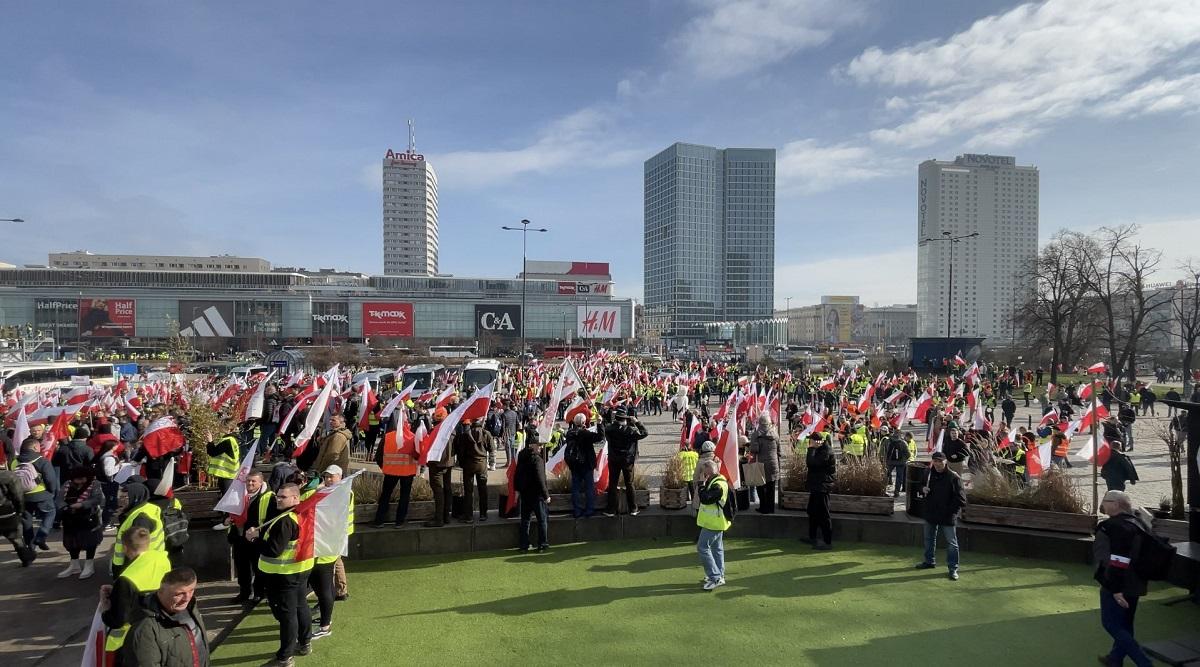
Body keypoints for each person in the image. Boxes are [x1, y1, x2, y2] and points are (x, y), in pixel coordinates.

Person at [246, 483, 312, 667]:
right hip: (300, 570)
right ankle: (305, 642)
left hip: (283, 575)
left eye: (283, 497)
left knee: (286, 616)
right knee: (300, 607)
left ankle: (285, 657)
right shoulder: (302, 514)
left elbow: (273, 550)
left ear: (296, 498)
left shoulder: (285, 520)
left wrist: (254, 539)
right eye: (278, 496)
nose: (278, 499)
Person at [1093, 490, 1154, 667]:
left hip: (1117, 582)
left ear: (1116, 505)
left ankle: (1145, 663)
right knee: (1126, 623)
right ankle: (1115, 658)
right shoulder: (1140, 523)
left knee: (1111, 623)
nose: (1103, 504)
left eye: (1106, 500)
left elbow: (1115, 560)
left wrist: (1115, 588)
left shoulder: (1110, 527)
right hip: (1137, 581)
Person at [101, 527, 172, 662]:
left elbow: (118, 620)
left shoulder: (126, 578)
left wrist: (105, 608)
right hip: (160, 629)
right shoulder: (162, 559)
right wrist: (117, 592)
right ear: (148, 543)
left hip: (129, 641)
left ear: (125, 548)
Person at [122, 566, 209, 667]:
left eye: (191, 590)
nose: (187, 598)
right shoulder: (145, 629)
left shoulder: (189, 607)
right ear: (161, 591)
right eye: (179, 594)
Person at [310, 466, 353, 639]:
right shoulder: (336, 490)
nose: (328, 480)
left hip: (335, 537)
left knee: (333, 569)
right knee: (335, 566)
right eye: (326, 477)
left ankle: (339, 593)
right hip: (331, 537)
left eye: (331, 477)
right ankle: (334, 596)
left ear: (340, 477)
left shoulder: (342, 493)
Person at [915, 451, 967, 580]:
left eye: (940, 461)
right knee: (929, 538)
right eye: (935, 461)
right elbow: (920, 485)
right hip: (930, 512)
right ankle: (929, 561)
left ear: (945, 462)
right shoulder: (927, 473)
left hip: (947, 516)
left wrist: (950, 511)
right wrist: (923, 489)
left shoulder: (953, 477)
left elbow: (961, 499)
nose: (938, 464)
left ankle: (953, 569)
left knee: (952, 543)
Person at [229, 470, 272, 603]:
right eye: (248, 481)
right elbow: (228, 510)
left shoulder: (269, 497)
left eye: (254, 481)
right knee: (242, 568)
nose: (250, 483)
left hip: (256, 539)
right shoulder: (237, 494)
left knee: (257, 567)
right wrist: (226, 520)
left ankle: (259, 593)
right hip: (239, 537)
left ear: (261, 482)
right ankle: (244, 592)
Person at [57, 466, 105, 579]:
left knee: (90, 541)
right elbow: (59, 499)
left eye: (82, 479)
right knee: (71, 542)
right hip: (70, 517)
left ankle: (89, 565)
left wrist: (82, 504)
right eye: (77, 479)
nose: (80, 482)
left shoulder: (95, 484)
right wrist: (65, 507)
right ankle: (74, 565)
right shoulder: (67, 484)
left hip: (89, 517)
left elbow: (97, 499)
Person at [110, 479, 160, 578]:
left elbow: (135, 547)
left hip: (137, 566)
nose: (121, 500)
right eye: (120, 496)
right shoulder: (147, 507)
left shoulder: (141, 519)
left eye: (125, 497)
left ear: (135, 498)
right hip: (149, 562)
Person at [603, 408, 648, 516]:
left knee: (613, 483)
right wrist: (636, 422)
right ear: (625, 419)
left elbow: (607, 428)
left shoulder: (609, 429)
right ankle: (633, 508)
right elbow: (644, 433)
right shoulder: (630, 430)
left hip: (614, 459)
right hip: (627, 460)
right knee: (629, 483)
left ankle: (611, 510)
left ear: (616, 418)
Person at [17, 436, 59, 552]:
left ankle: (30, 547)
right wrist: (51, 491)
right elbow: (50, 479)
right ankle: (41, 537)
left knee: (27, 522)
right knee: (50, 514)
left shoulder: (15, 461)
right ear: (35, 447)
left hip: (22, 496)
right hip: (41, 494)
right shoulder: (41, 460)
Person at [695, 459, 730, 591]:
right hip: (715, 522)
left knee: (702, 547)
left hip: (713, 523)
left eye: (704, 473)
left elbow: (705, 499)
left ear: (708, 473)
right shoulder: (717, 482)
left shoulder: (718, 485)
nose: (703, 475)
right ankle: (719, 574)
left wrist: (701, 485)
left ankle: (715, 577)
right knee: (717, 549)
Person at [373, 426, 418, 528]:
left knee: (385, 495)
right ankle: (400, 522)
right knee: (404, 496)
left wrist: (385, 468)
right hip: (408, 472)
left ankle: (379, 521)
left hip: (391, 472)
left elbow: (378, 456)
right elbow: (418, 455)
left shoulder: (388, 436)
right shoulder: (413, 437)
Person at [513, 435, 550, 552]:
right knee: (542, 520)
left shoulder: (521, 456)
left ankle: (524, 545)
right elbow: (540, 478)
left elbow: (517, 474)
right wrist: (546, 495)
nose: (540, 448)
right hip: (537, 494)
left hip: (525, 493)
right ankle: (542, 544)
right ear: (533, 445)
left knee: (525, 520)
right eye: (538, 445)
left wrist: (517, 490)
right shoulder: (537, 459)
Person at [563, 413, 603, 518]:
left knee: (575, 488)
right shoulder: (586, 434)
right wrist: (599, 423)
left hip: (574, 464)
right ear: (584, 422)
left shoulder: (570, 433)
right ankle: (589, 510)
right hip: (586, 464)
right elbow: (600, 437)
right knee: (589, 487)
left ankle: (577, 510)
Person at [453, 419, 493, 523]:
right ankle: (483, 514)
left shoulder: (465, 435)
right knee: (483, 490)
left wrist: (462, 464)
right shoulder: (486, 433)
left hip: (469, 464)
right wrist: (491, 463)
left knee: (468, 491)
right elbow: (492, 449)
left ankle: (469, 515)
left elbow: (460, 453)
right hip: (482, 464)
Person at [805, 432, 835, 550]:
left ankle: (827, 542)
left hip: (822, 486)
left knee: (824, 514)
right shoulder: (820, 450)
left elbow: (812, 463)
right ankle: (812, 537)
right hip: (816, 485)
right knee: (812, 511)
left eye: (811, 441)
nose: (810, 443)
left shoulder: (826, 451)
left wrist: (811, 449)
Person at [0, 464, 35, 565]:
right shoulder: (8, 476)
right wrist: (20, 510)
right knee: (16, 539)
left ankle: (27, 558)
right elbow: (18, 495)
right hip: (6, 511)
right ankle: (27, 559)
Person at [747, 414, 779, 514]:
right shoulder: (775, 434)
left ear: (760, 423)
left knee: (760, 486)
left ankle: (763, 507)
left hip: (762, 463)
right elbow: (779, 450)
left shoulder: (756, 435)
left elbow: (755, 450)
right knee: (771, 487)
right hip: (774, 463)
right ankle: (771, 508)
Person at [205, 423, 241, 495]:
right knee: (227, 495)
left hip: (226, 473)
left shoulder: (227, 440)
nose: (219, 430)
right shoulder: (233, 439)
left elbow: (213, 452)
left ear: (228, 429)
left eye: (221, 428)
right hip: (230, 473)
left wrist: (210, 441)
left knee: (227, 496)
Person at [884, 431, 909, 498]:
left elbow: (886, 452)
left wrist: (886, 460)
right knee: (899, 477)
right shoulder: (903, 443)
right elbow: (908, 454)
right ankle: (896, 492)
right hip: (901, 462)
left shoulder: (889, 442)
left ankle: (883, 490)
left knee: (886, 475)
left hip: (890, 462)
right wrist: (904, 459)